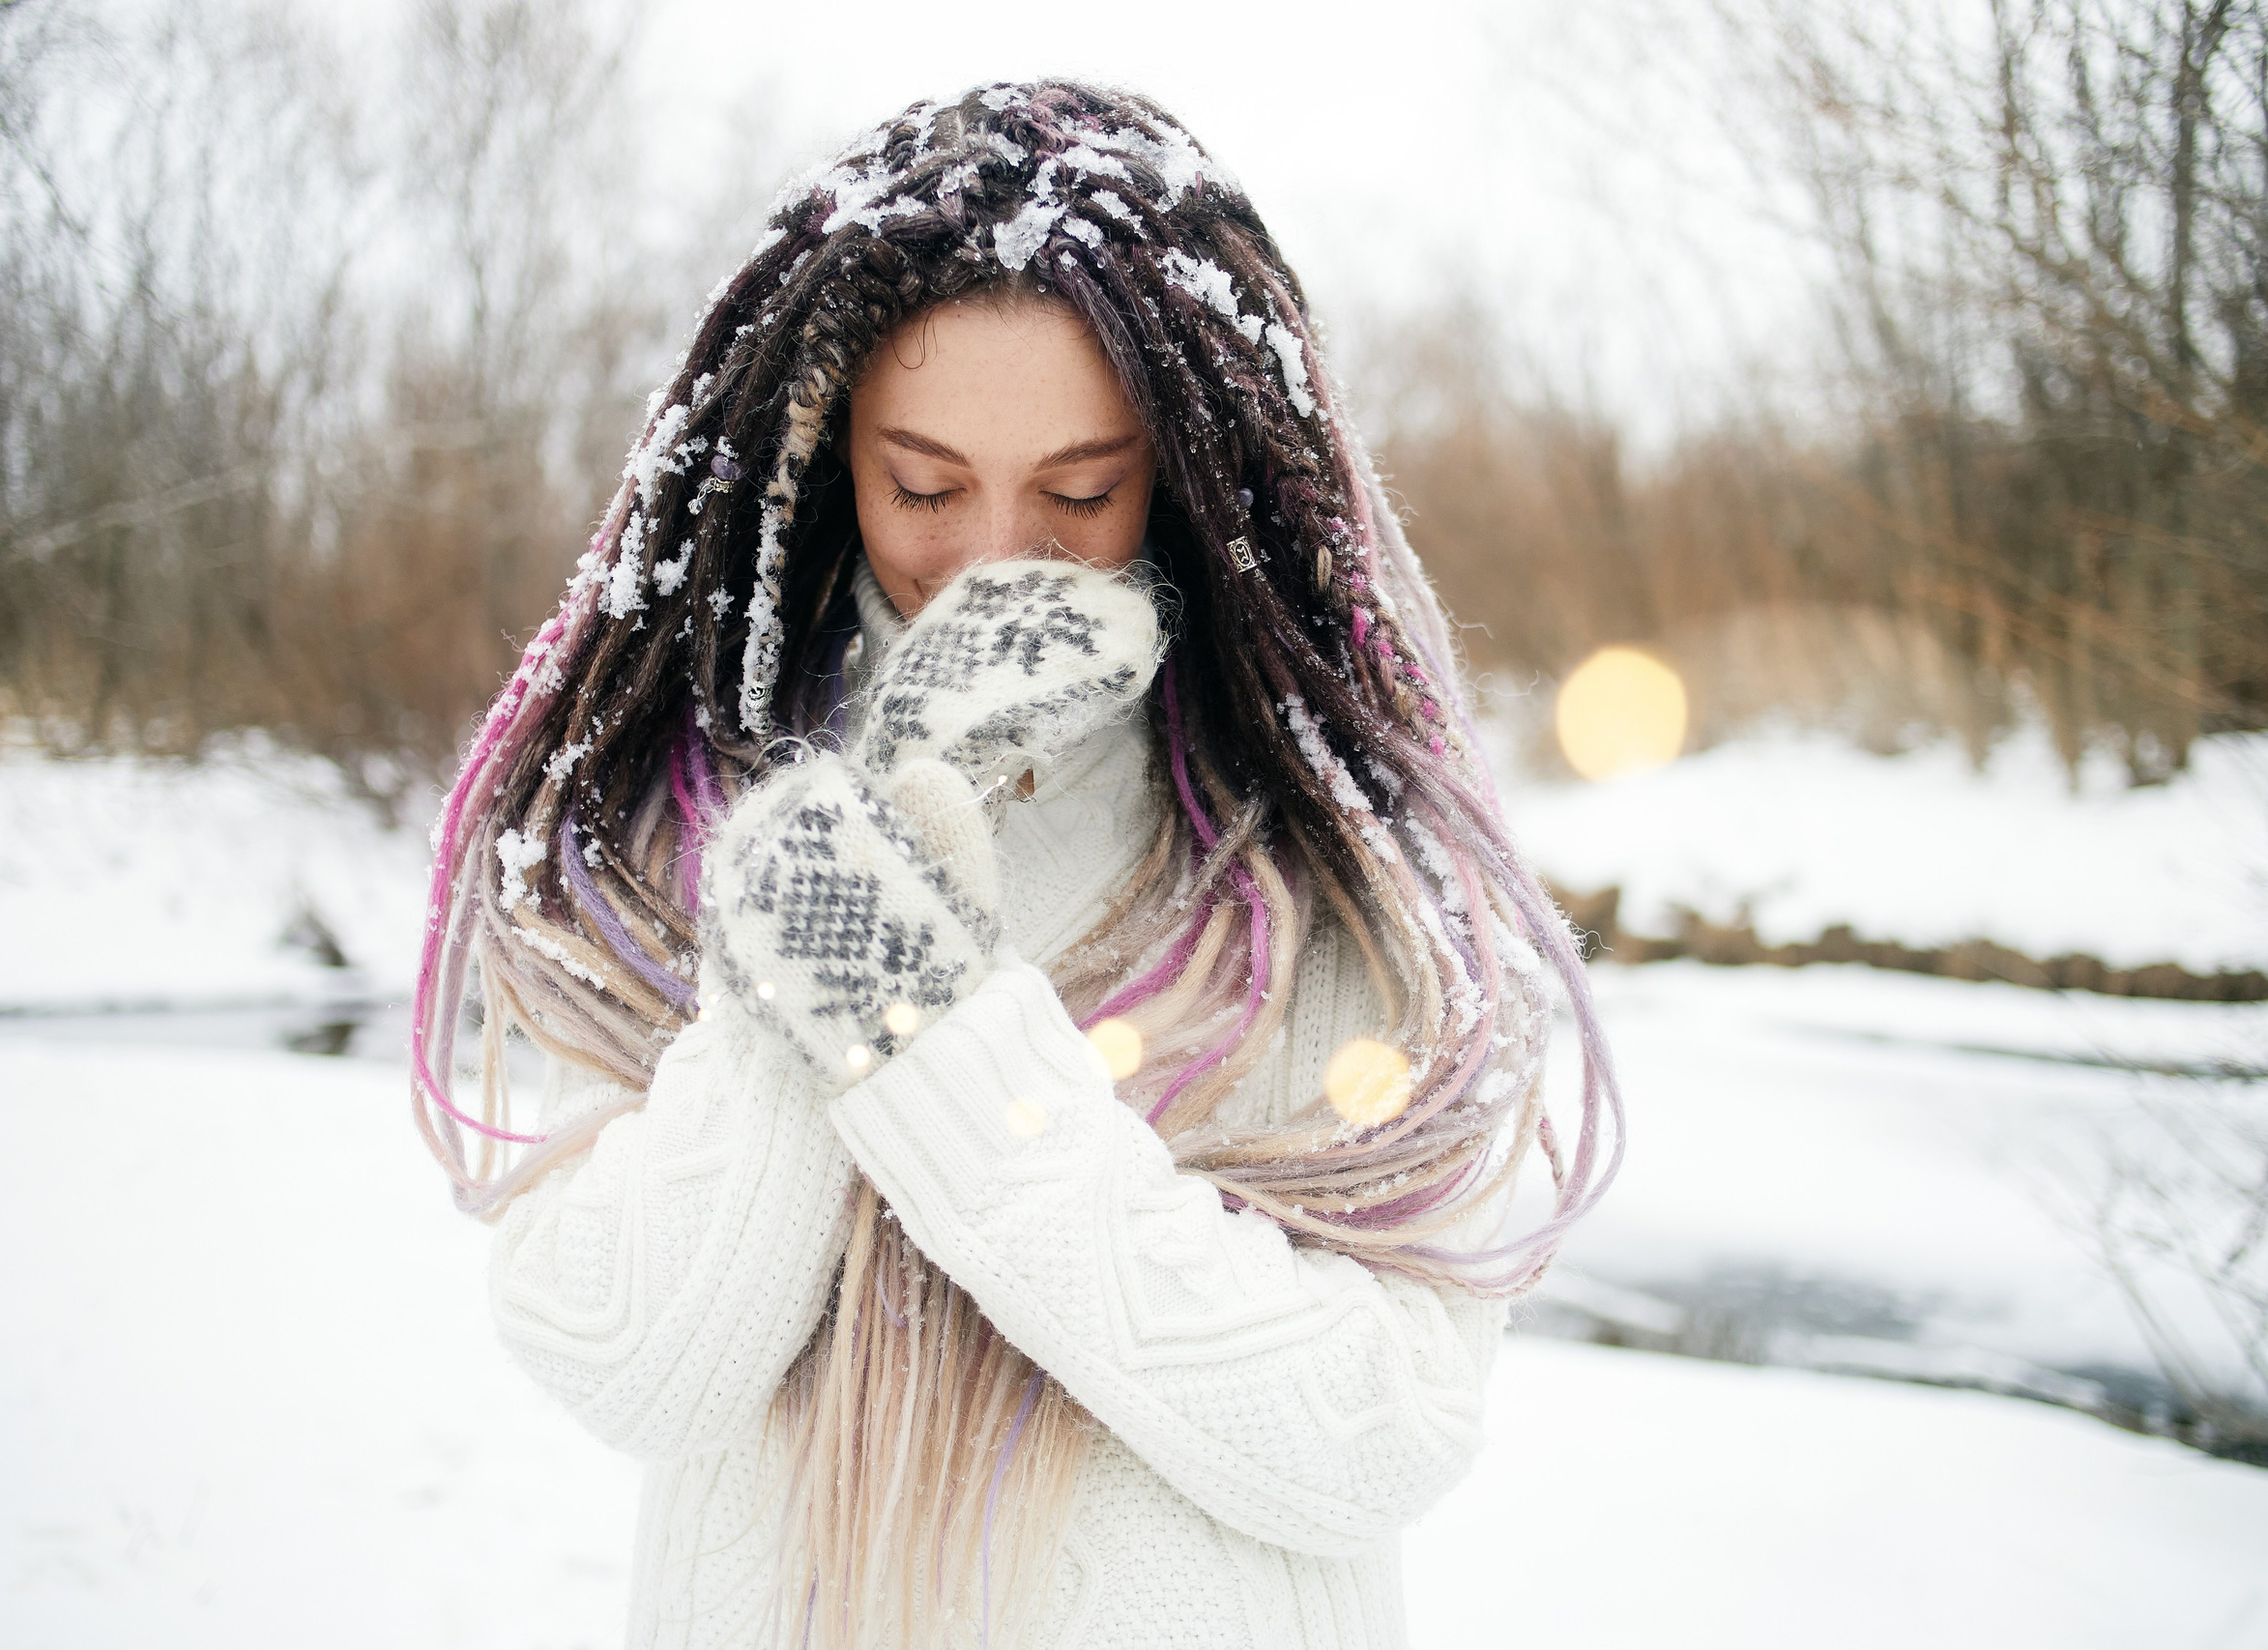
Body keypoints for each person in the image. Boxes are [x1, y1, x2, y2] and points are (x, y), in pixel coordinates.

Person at [409, 79, 1623, 1650]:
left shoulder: (1323, 873)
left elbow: (1375, 1430)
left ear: (1185, 473)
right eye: (922, 486)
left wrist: (933, 1040)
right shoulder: (702, 826)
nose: (992, 561)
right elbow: (632, 1354)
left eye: (1078, 492)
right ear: (825, 457)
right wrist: (857, 871)